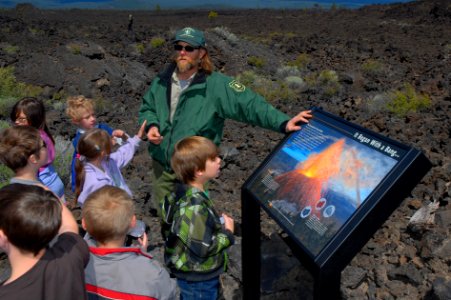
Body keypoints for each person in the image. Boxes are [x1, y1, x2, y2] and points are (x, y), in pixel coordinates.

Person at [138, 26, 312, 214]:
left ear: (201, 53)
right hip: (162, 165)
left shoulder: (217, 85)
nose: (182, 52)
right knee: (167, 218)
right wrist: (152, 126)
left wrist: (283, 122)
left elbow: (250, 104)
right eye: (178, 47)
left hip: (194, 169)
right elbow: (148, 107)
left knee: (195, 221)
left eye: (189, 49)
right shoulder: (161, 81)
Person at [162, 136, 235, 299]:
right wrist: (228, 234)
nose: (219, 161)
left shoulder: (177, 194)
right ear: (198, 170)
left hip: (187, 271)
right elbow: (204, 248)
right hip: (198, 278)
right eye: (213, 158)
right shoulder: (194, 206)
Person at [82, 185, 177, 300]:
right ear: (133, 222)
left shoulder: (75, 263)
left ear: (84, 224)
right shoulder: (152, 274)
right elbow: (170, 293)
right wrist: (141, 257)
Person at [0, 183, 90, 300]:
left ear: (2, 236)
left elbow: (69, 226)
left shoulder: (6, 295)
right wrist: (39, 186)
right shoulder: (71, 256)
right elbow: (70, 226)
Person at [74, 121, 146, 206]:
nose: (113, 140)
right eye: (110, 141)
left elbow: (122, 154)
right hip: (113, 216)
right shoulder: (96, 182)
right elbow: (95, 210)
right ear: (103, 152)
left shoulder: (106, 161)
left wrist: (138, 137)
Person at [66, 95, 125, 193]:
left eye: (93, 115)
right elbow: (92, 151)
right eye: (87, 117)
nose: (92, 119)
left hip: (107, 166)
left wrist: (117, 137)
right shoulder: (79, 140)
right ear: (76, 121)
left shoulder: (102, 127)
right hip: (91, 172)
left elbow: (116, 137)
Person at [10, 97, 65, 201]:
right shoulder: (44, 134)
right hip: (54, 183)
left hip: (44, 188)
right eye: (15, 118)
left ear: (34, 119)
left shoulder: (33, 141)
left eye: (21, 119)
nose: (16, 122)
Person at [0, 126, 52, 191]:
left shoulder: (6, 191)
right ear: (33, 158)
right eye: (44, 145)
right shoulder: (44, 195)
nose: (47, 147)